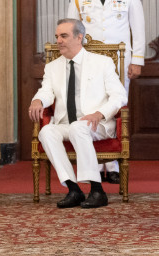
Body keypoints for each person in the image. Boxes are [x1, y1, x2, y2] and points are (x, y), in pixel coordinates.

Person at [67, 0, 145, 184]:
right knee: (88, 107)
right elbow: (71, 28)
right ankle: (92, 162)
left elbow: (138, 28)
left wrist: (138, 59)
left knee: (115, 107)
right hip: (87, 60)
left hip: (118, 62)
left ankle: (112, 164)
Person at [28, 19, 127, 209]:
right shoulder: (52, 67)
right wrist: (37, 100)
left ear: (79, 37)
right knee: (46, 132)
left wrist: (99, 114)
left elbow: (119, 96)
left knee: (78, 128)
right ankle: (74, 189)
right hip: (66, 123)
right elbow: (46, 91)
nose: (59, 41)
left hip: (97, 124)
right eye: (57, 36)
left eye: (64, 36)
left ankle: (97, 191)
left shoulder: (102, 63)